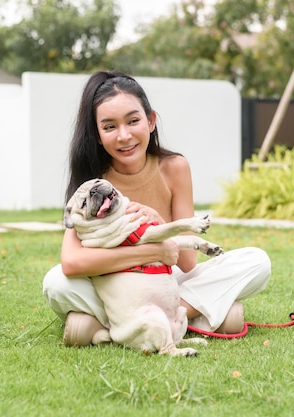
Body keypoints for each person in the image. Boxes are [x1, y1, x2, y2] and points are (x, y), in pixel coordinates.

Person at [42, 70, 271, 347]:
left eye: (133, 121)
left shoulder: (174, 168)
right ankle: (193, 318)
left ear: (150, 121)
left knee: (257, 261)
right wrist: (152, 251)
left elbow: (186, 262)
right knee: (55, 282)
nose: (124, 136)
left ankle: (127, 323)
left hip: (166, 279)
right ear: (98, 135)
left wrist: (160, 222)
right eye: (110, 127)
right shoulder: (94, 183)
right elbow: (72, 263)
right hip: (119, 286)